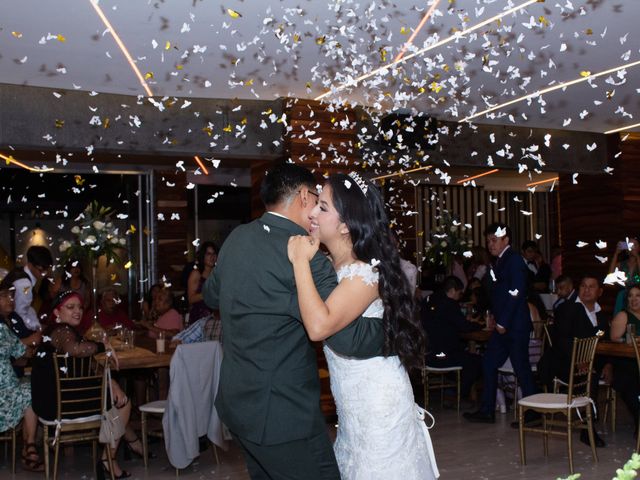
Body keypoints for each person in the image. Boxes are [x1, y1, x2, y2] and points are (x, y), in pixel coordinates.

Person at [203, 163, 384, 480]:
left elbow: (211, 296)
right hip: (283, 412)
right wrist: (395, 330)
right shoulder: (307, 254)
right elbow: (344, 336)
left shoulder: (237, 238)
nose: (316, 208)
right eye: (317, 198)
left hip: (237, 402)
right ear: (304, 195)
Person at [287, 172, 438, 479]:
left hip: (377, 405)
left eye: (324, 207)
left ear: (345, 224)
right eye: (316, 203)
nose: (313, 212)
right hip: (353, 406)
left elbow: (318, 327)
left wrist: (300, 262)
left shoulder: (364, 272)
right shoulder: (333, 266)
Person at [30, 290, 142, 479]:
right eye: (70, 307)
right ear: (57, 312)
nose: (78, 311)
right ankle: (109, 458)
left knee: (115, 398)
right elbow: (76, 350)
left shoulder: (59, 332)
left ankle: (126, 446)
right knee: (123, 404)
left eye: (80, 307)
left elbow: (88, 367)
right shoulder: (62, 331)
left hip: (56, 402)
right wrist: (103, 346)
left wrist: (112, 383)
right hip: (61, 406)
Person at [464, 223, 536, 424]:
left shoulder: (513, 260)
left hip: (514, 325)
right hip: (504, 325)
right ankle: (487, 410)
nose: (489, 244)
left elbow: (517, 292)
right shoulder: (500, 261)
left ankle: (533, 412)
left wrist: (502, 321)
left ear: (506, 240)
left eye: (493, 240)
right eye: (488, 241)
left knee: (521, 368)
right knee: (489, 363)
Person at [537, 276, 608, 446]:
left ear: (599, 292)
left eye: (591, 287)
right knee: (590, 375)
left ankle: (590, 417)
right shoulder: (568, 309)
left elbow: (601, 338)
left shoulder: (600, 314)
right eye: (583, 286)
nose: (586, 290)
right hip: (563, 362)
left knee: (604, 370)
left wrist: (608, 364)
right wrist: (580, 361)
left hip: (589, 363)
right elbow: (562, 341)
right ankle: (587, 428)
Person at [422, 275, 482, 399]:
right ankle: (460, 395)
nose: (460, 297)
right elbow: (464, 326)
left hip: (426, 354)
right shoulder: (450, 304)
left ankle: (453, 390)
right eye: (459, 293)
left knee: (467, 358)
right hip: (443, 356)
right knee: (477, 362)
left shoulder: (429, 300)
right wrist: (479, 325)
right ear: (453, 290)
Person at [0, 313, 43, 471]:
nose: (10, 299)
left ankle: (29, 446)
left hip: (7, 389)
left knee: (29, 387)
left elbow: (19, 352)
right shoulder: (2, 328)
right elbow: (23, 351)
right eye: (4, 296)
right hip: (4, 395)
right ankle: (29, 447)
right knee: (31, 390)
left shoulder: (6, 325)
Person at [608, 284, 640, 435]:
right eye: (630, 296)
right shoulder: (623, 315)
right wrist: (630, 340)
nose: (634, 299)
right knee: (631, 383)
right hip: (627, 362)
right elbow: (614, 338)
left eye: (638, 295)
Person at [1, 246, 53, 331]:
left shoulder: (19, 271)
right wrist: (37, 327)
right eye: (41, 270)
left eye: (47, 269)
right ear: (30, 264)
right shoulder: (25, 285)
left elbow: (26, 309)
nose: (45, 273)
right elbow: (20, 315)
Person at [186, 242, 221, 339]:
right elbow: (191, 299)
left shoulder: (217, 275)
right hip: (198, 320)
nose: (212, 257)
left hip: (214, 320)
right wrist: (208, 293)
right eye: (208, 254)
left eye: (214, 254)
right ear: (203, 256)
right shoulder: (196, 273)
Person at [609, 237, 640, 314]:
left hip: (638, 297)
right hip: (623, 297)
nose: (632, 247)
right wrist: (616, 253)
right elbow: (610, 277)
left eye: (634, 245)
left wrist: (637, 257)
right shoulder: (621, 264)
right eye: (629, 245)